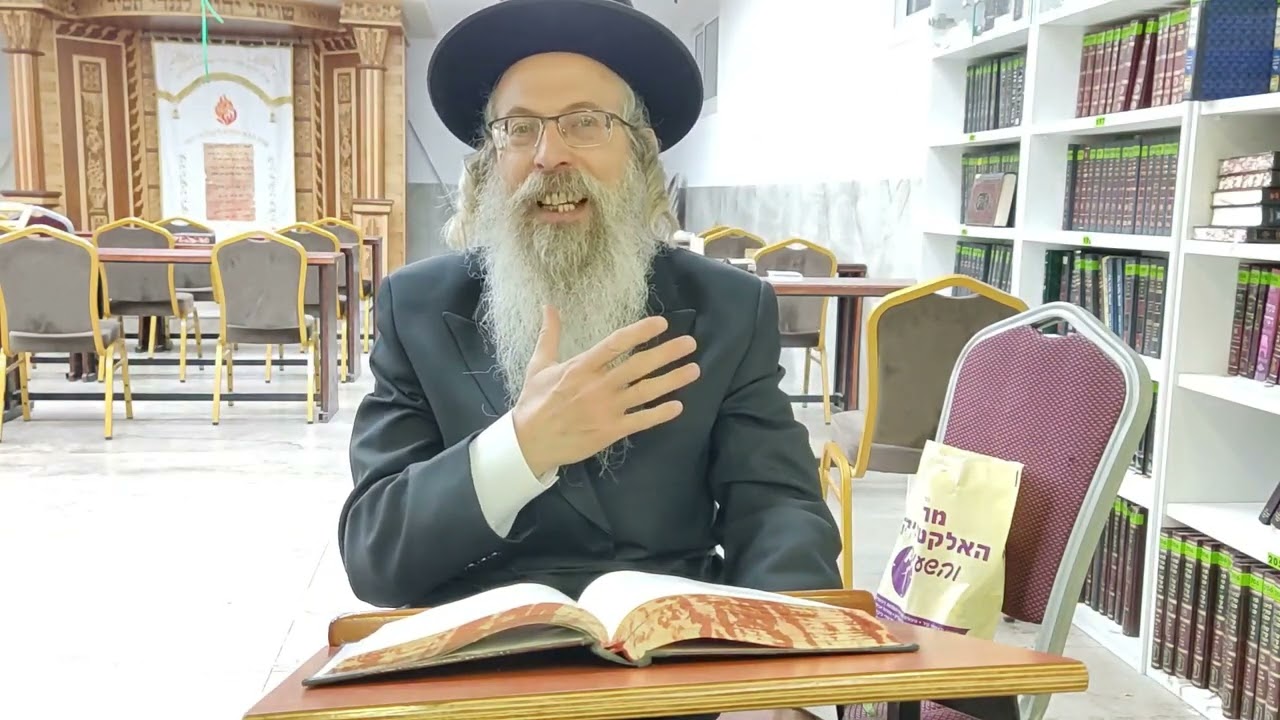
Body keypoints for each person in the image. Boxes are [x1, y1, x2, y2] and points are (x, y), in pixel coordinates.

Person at [340, 1, 842, 716]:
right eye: (520, 129)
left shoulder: (729, 308)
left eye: (585, 122)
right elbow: (375, 556)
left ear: (639, 155)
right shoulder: (416, 307)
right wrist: (522, 447)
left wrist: (778, 684)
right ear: (491, 162)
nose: (549, 155)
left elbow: (778, 512)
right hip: (476, 680)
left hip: (672, 671)